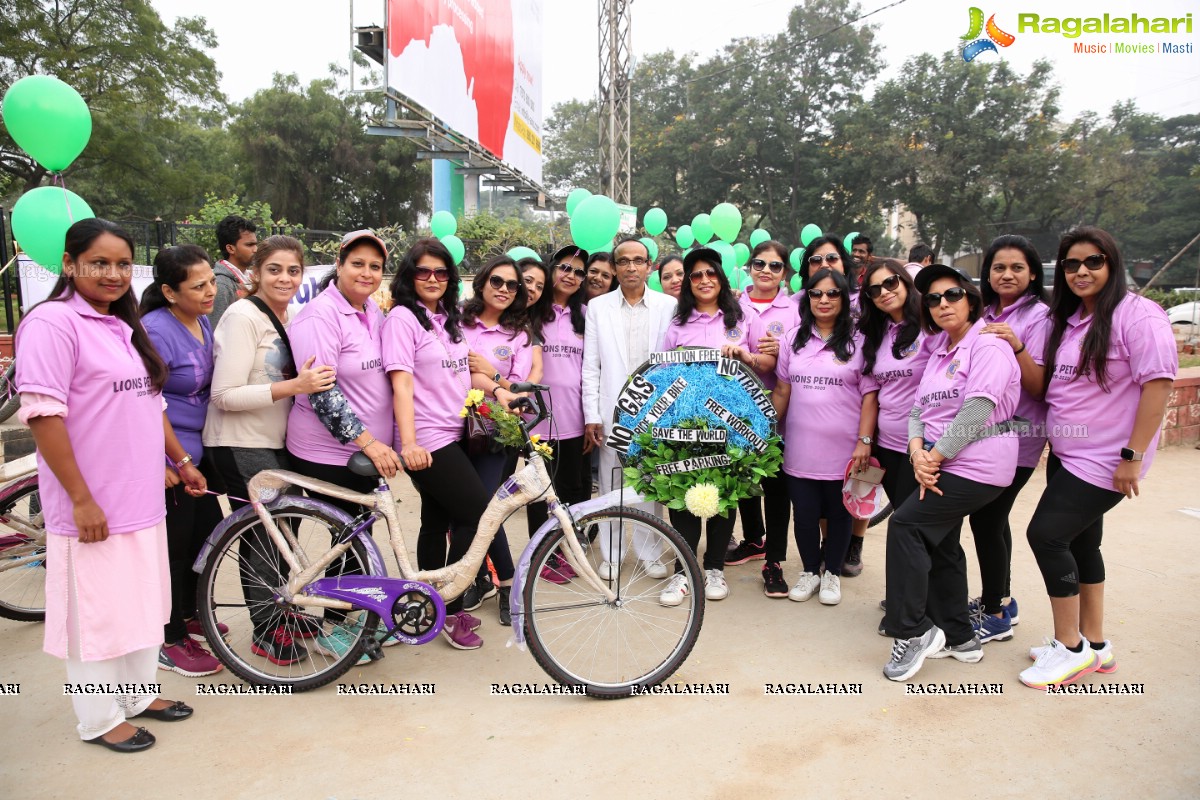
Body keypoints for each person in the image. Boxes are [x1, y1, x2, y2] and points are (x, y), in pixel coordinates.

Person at [17, 218, 202, 752]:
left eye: (123, 264)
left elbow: (151, 403)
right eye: (99, 262)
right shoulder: (53, 324)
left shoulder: (121, 324)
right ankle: (97, 719)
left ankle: (139, 696)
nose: (113, 274)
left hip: (141, 497)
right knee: (94, 613)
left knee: (143, 603)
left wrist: (181, 459)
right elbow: (44, 416)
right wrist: (80, 498)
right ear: (69, 264)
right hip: (91, 504)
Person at [1019, 227, 1176, 689]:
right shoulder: (1071, 321)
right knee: (1083, 544)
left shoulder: (1138, 315)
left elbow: (1160, 385)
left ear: (1113, 264)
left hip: (1106, 460)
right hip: (1070, 454)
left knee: (1046, 536)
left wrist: (1132, 455)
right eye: (1071, 264)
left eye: (1093, 262)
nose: (1081, 271)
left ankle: (1069, 649)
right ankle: (1096, 643)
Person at [881, 264, 1020, 682]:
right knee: (939, 542)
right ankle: (962, 638)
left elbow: (977, 410)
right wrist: (916, 449)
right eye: (934, 299)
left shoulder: (989, 344)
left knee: (906, 526)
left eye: (953, 295)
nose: (943, 304)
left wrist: (934, 458)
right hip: (942, 459)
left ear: (972, 300)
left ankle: (914, 630)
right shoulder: (941, 349)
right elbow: (919, 411)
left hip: (979, 466)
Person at [203, 235, 337, 666]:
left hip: (276, 442)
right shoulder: (242, 316)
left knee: (282, 531)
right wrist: (293, 387)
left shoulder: (293, 314)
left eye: (293, 270)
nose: (284, 278)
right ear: (255, 272)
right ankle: (266, 627)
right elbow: (224, 394)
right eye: (274, 269)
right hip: (239, 442)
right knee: (263, 534)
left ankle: (281, 611)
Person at [381, 238, 507, 650]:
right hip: (429, 439)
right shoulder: (403, 319)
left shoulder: (446, 318)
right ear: (409, 276)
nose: (432, 279)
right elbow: (400, 382)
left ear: (451, 278)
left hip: (456, 433)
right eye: (423, 272)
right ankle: (449, 606)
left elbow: (466, 371)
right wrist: (410, 442)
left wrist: (501, 392)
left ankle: (424, 603)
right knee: (478, 512)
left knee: (436, 521)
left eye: (441, 272)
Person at [285, 230, 401, 660]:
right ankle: (334, 628)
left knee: (356, 536)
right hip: (330, 454)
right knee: (348, 540)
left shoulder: (370, 309)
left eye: (375, 266)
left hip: (362, 455)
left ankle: (348, 619)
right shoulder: (320, 316)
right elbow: (323, 394)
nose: (366, 273)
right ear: (339, 263)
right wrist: (371, 444)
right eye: (358, 263)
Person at [658, 247, 775, 604]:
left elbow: (768, 363)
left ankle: (714, 569)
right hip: (684, 425)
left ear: (721, 278)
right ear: (688, 284)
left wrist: (746, 355)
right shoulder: (677, 324)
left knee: (724, 495)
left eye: (711, 273)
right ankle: (683, 572)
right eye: (696, 275)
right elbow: (661, 374)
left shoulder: (743, 317)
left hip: (732, 426)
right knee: (682, 497)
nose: (704, 280)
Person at [140, 245, 225, 678]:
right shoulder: (154, 330)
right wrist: (176, 460)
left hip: (198, 450)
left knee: (205, 535)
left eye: (211, 281)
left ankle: (190, 615)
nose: (211, 290)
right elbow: (147, 404)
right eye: (199, 285)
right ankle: (167, 637)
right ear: (170, 292)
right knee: (173, 548)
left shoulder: (202, 319)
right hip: (168, 454)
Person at [771, 269, 878, 608]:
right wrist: (764, 429)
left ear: (845, 299)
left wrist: (864, 441)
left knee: (840, 513)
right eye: (817, 294)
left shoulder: (859, 342)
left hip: (845, 451)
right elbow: (783, 390)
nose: (824, 300)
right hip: (800, 449)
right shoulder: (792, 340)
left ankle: (831, 572)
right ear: (808, 299)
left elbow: (870, 397)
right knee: (803, 514)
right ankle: (809, 572)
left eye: (832, 294)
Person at [966, 235, 1051, 645]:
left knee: (987, 519)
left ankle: (995, 612)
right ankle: (1002, 599)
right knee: (992, 521)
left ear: (1032, 273)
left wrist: (1016, 345)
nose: (1007, 274)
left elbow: (1038, 387)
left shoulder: (1040, 318)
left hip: (1019, 438)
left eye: (1017, 267)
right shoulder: (980, 312)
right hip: (982, 435)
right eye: (999, 267)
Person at [583, 237, 677, 580]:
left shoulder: (668, 306)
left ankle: (650, 551)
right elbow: (591, 366)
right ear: (615, 267)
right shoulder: (598, 308)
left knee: (651, 484)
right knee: (611, 485)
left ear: (649, 266)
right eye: (624, 261)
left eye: (639, 260)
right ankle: (612, 554)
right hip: (612, 412)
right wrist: (592, 414)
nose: (632, 267)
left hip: (657, 411)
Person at [459, 255, 538, 623]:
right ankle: (477, 579)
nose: (504, 290)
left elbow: (520, 388)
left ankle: (507, 583)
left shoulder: (519, 333)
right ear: (481, 283)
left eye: (512, 285)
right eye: (497, 282)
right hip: (452, 431)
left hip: (496, 437)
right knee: (465, 510)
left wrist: (493, 375)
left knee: (485, 507)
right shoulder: (458, 322)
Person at [726, 240, 797, 599]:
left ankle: (774, 560)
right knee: (744, 481)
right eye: (759, 263)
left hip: (780, 412)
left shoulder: (796, 309)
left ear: (786, 272)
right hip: (737, 412)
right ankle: (753, 539)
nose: (766, 271)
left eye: (775, 266)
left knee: (776, 488)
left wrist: (779, 350)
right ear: (749, 266)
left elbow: (804, 353)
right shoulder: (733, 305)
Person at [800, 234, 870, 574]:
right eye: (816, 261)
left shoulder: (865, 311)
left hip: (863, 424)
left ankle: (852, 546)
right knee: (817, 504)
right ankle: (827, 559)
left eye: (831, 259)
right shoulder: (798, 321)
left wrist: (865, 437)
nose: (824, 266)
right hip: (806, 435)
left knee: (857, 492)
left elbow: (871, 389)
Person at [525, 245, 591, 583]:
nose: (571, 275)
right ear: (552, 269)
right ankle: (542, 557)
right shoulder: (533, 312)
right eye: (565, 267)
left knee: (569, 490)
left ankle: (565, 551)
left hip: (574, 420)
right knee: (539, 495)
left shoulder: (586, 316)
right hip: (534, 422)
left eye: (579, 271)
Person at [857, 261, 932, 549]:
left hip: (924, 447)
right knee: (903, 518)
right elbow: (873, 392)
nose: (884, 293)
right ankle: (911, 593)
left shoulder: (931, 326)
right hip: (888, 446)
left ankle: (930, 594)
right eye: (875, 290)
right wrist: (867, 439)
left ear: (905, 281)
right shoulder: (878, 334)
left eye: (890, 283)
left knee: (921, 527)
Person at [209, 214, 258, 328]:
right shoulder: (221, 285)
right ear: (230, 248)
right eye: (249, 245)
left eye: (256, 244)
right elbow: (215, 331)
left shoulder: (249, 278)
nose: (255, 249)